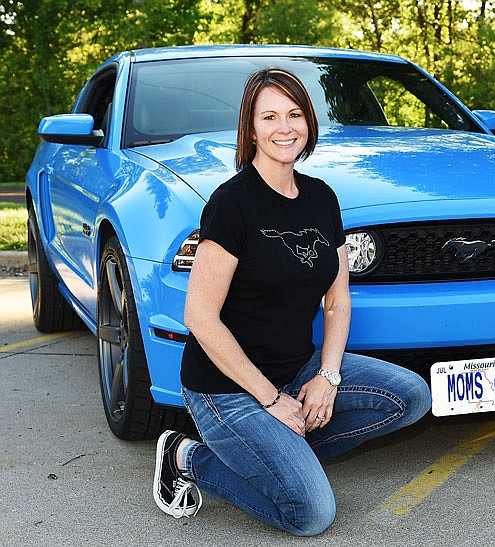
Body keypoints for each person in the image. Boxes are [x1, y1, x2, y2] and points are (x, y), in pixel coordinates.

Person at [152, 68, 432, 536]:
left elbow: (337, 301)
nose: (284, 128)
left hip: (294, 370)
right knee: (310, 515)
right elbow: (199, 316)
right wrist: (270, 400)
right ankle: (189, 456)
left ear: (308, 123)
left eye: (294, 114)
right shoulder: (231, 204)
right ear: (251, 128)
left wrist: (326, 376)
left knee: (410, 397)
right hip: (226, 388)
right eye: (270, 117)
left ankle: (281, 458)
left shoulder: (322, 198)